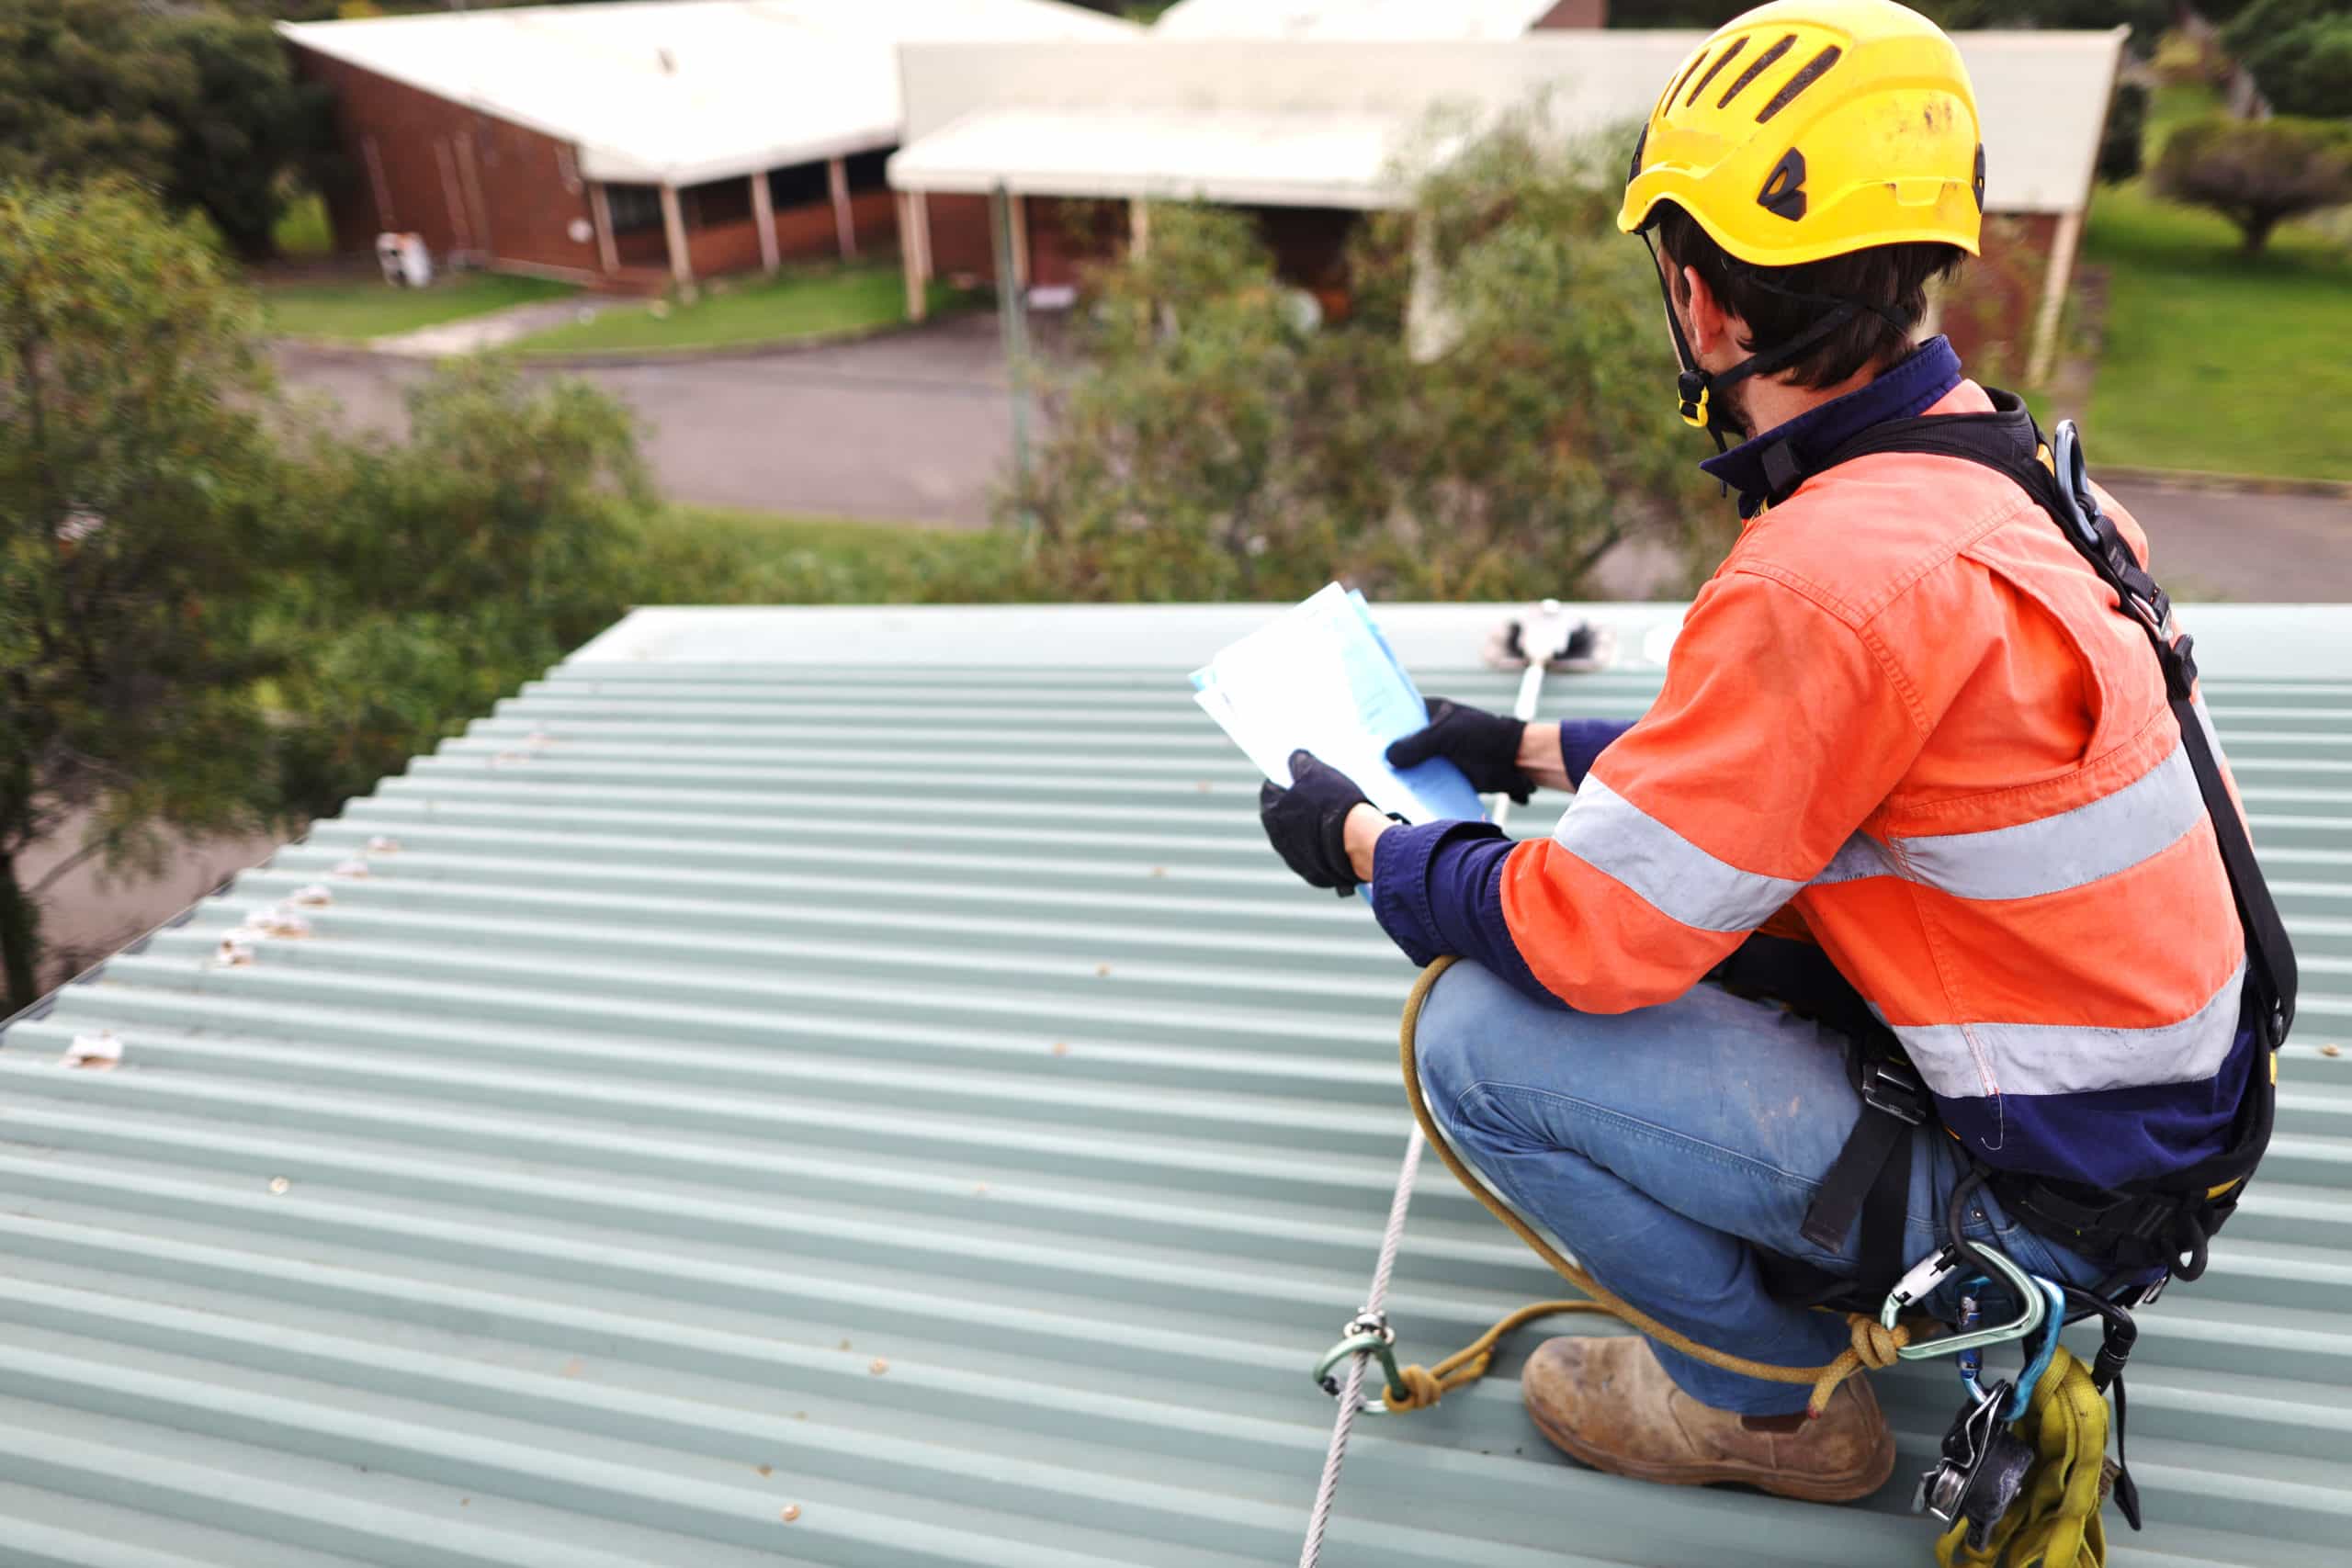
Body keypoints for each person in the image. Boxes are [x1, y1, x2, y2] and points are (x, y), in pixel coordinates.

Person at [1256, 0, 2268, 1504]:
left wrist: (1368, 848)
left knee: (1472, 1038)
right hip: (2161, 1151)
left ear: (1704, 301)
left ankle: (1770, 1409)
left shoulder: (1826, 575)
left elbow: (1589, 935)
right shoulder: (2022, 482)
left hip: (2043, 1203)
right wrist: (1524, 746)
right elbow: (1781, 777)